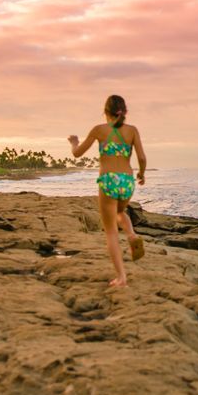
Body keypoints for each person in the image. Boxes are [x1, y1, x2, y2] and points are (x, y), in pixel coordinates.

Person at [68, 94, 147, 288]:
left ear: (105, 112)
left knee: (110, 232)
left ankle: (121, 278)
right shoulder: (132, 131)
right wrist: (142, 174)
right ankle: (131, 235)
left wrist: (74, 142)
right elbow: (142, 158)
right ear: (124, 112)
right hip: (127, 181)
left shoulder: (99, 130)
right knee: (120, 212)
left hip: (108, 181)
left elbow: (77, 153)